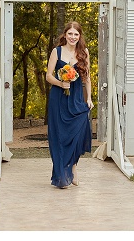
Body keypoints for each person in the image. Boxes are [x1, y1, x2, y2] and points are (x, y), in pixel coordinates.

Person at [45, 21, 94, 189]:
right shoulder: (56, 51)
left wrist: (89, 98)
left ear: (79, 36)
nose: (73, 37)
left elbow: (87, 77)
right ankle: (61, 176)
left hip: (76, 98)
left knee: (79, 132)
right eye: (70, 34)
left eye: (76, 34)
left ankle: (73, 166)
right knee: (60, 136)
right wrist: (60, 83)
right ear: (65, 35)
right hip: (59, 98)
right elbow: (48, 76)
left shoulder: (84, 52)